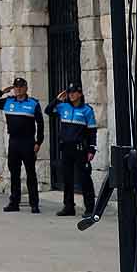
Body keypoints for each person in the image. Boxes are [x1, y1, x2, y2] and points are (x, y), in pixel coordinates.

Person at [0, 77, 46, 214]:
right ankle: (14, 202)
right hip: (14, 142)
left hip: (28, 142)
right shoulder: (8, 102)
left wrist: (38, 142)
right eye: (16, 87)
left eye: (21, 87)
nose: (18, 89)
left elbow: (41, 124)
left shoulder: (33, 103)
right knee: (14, 174)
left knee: (31, 174)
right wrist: (2, 91)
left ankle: (34, 204)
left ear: (26, 88)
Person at [49, 83, 98, 217]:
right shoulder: (63, 106)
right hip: (66, 148)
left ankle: (90, 208)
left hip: (80, 148)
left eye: (74, 92)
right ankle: (69, 206)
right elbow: (48, 111)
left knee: (84, 178)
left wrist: (92, 150)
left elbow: (92, 131)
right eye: (69, 92)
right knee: (67, 178)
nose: (71, 95)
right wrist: (57, 99)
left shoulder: (87, 110)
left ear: (80, 94)